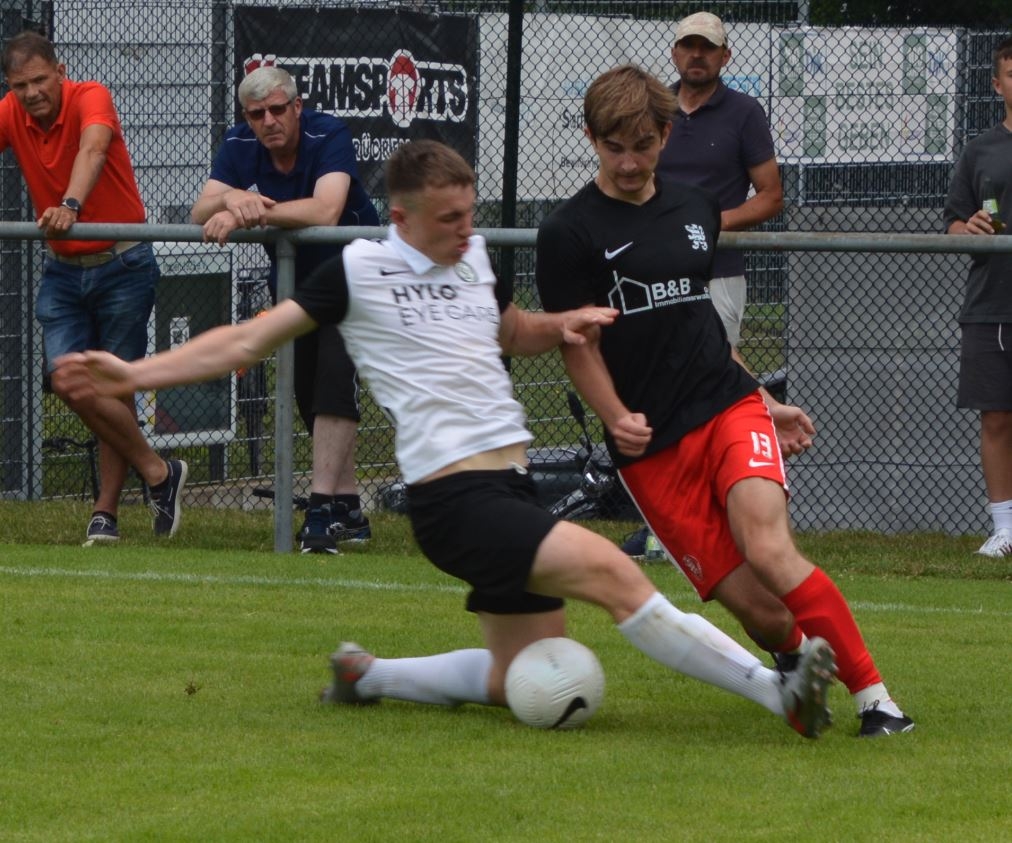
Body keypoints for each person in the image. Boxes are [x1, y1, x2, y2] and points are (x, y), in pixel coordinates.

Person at [55, 139, 836, 739]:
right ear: (401, 220)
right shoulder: (359, 270)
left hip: (509, 488)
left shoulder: (477, 260)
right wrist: (133, 374)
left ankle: (368, 675)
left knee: (514, 675)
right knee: (613, 571)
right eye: (449, 219)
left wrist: (562, 323)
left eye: (470, 213)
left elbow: (513, 331)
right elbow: (245, 341)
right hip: (452, 498)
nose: (467, 230)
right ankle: (781, 690)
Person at [535, 65, 913, 737]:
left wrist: (761, 396)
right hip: (652, 447)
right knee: (762, 613)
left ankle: (878, 702)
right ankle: (795, 666)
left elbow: (699, 324)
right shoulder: (568, 231)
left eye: (643, 145)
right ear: (591, 138)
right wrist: (615, 414)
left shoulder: (697, 209)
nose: (629, 163)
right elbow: (577, 344)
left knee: (769, 547)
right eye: (614, 147)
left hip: (727, 407)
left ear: (665, 134)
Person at [622, 11, 811, 559]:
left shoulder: (744, 112)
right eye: (688, 46)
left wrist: (708, 224)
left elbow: (771, 195)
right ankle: (669, 521)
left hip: (718, 272)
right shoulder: (653, 111)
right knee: (656, 386)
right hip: (651, 274)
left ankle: (701, 521)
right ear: (675, 52)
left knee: (711, 386)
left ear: (725, 57)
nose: (697, 56)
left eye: (707, 48)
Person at [0, 31, 186, 544]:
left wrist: (70, 204)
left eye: (40, 80)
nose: (32, 93)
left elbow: (94, 148)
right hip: (63, 269)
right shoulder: (11, 112)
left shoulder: (91, 95)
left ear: (60, 72)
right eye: (20, 86)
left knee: (111, 387)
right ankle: (159, 472)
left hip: (122, 263)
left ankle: (105, 514)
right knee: (67, 379)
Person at [191, 65, 379, 554]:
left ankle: (319, 512)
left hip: (357, 274)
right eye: (257, 114)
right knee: (307, 391)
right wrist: (233, 197)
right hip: (298, 283)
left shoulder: (328, 133)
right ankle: (349, 511)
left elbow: (325, 210)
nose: (269, 121)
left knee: (334, 379)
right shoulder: (238, 144)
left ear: (297, 107)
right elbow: (200, 210)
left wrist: (246, 213)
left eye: (278, 109)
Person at [943, 37, 1012, 558]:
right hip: (992, 303)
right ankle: (1005, 529)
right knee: (997, 417)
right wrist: (968, 229)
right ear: (997, 84)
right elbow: (953, 223)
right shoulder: (979, 149)